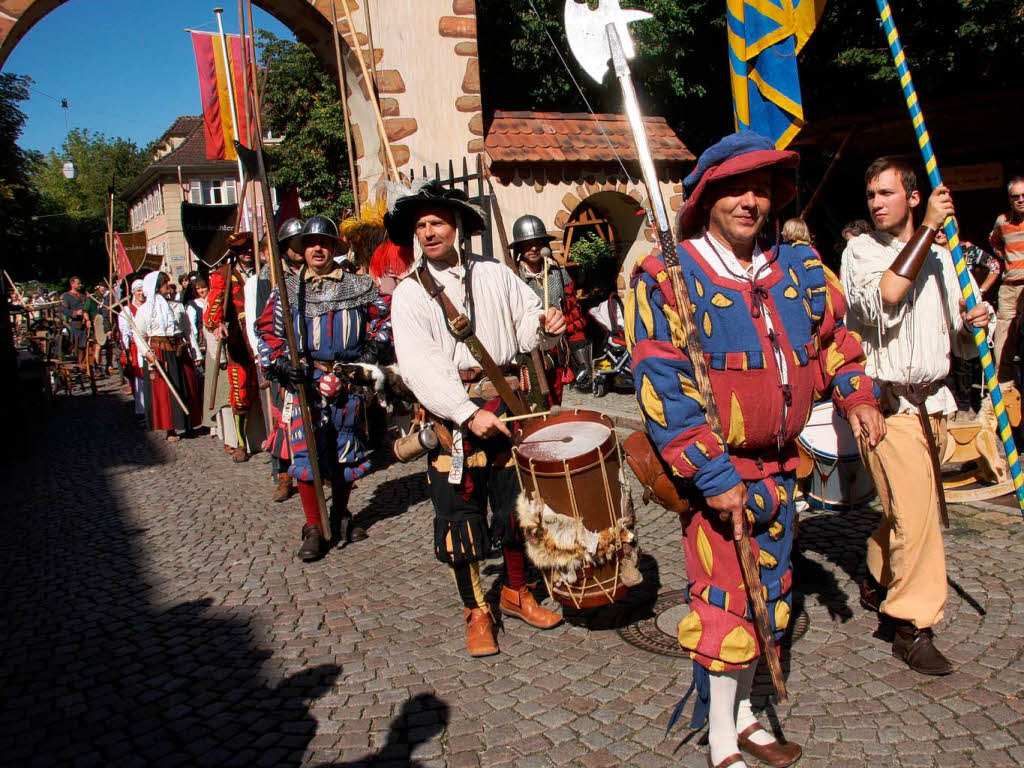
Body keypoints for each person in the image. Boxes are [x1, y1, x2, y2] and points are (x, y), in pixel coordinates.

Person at [629, 131, 883, 768]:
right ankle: (719, 744)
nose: (751, 200)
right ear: (708, 195)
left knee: (768, 595)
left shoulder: (798, 270)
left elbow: (833, 344)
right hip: (722, 473)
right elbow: (664, 386)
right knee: (724, 604)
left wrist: (856, 394)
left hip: (782, 471)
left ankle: (742, 716)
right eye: (737, 187)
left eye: (763, 187)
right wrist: (712, 474)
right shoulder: (668, 276)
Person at [389, 180, 566, 659]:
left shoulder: (495, 273)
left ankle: (514, 592)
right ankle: (475, 612)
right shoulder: (408, 294)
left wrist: (544, 325)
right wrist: (466, 414)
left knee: (514, 510)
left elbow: (525, 321)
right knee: (460, 519)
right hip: (453, 418)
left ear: (458, 227)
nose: (428, 232)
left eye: (437, 223)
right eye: (421, 226)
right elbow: (420, 366)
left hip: (508, 408)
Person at [841, 156, 993, 676]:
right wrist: (927, 229)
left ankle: (879, 569)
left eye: (886, 193)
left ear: (911, 195)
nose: (876, 203)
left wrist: (977, 322)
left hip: (937, 405)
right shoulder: (860, 251)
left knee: (909, 511)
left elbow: (962, 340)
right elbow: (886, 296)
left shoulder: (945, 261)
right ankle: (911, 626)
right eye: (871, 196)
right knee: (920, 519)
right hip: (887, 407)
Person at [257, 216, 378, 561]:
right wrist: (281, 363)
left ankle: (340, 515)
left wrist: (369, 354)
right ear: (302, 250)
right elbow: (266, 332)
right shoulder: (288, 291)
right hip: (304, 384)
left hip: (346, 382)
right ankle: (313, 525)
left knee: (346, 451)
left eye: (324, 243)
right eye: (311, 244)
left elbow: (383, 322)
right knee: (306, 454)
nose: (318, 249)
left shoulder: (359, 285)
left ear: (334, 248)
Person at [249, 218, 305, 503]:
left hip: (307, 360)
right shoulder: (268, 276)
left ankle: (316, 471)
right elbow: (262, 323)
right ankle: (283, 476)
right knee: (282, 422)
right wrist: (273, 360)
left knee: (312, 421)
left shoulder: (312, 273)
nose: (299, 249)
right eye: (293, 245)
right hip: (281, 360)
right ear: (283, 248)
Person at [510, 213, 588, 402]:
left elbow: (573, 313)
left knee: (555, 402)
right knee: (531, 404)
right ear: (520, 247)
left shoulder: (559, 275)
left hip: (556, 353)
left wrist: (581, 358)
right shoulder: (512, 279)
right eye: (528, 244)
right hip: (526, 355)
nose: (534, 248)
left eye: (538, 243)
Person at [204, 233, 260, 462]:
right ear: (234, 253)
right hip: (240, 341)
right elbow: (212, 308)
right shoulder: (224, 275)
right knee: (241, 392)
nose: (247, 253)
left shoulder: (267, 269)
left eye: (250, 248)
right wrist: (216, 325)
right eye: (242, 250)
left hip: (268, 337)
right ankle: (239, 443)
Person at [135, 272, 203, 441]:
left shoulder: (177, 306)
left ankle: (188, 424)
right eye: (166, 283)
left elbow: (188, 330)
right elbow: (139, 334)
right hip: (160, 351)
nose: (169, 286)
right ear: (157, 287)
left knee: (186, 386)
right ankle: (170, 429)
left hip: (179, 348)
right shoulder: (145, 310)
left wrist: (195, 351)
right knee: (165, 391)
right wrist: (147, 353)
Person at [989, 176, 1024, 383]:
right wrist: (1009, 259)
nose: (1020, 200)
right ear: (1009, 199)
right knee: (1002, 345)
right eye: (1015, 196)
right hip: (1010, 287)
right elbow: (994, 242)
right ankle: (1005, 394)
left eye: (1023, 195)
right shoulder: (1002, 221)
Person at [118, 279, 147, 415]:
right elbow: (125, 334)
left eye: (143, 290)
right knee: (140, 376)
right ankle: (142, 408)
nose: (141, 294)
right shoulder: (127, 311)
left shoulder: (149, 306)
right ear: (133, 292)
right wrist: (127, 350)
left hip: (150, 343)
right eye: (138, 291)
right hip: (136, 347)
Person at [61, 276, 89, 365]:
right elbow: (64, 310)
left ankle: (82, 363)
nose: (80, 285)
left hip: (85, 323)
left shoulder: (83, 296)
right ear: (72, 284)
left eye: (80, 283)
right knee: (76, 343)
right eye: (78, 283)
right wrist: (75, 313)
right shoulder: (67, 296)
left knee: (84, 345)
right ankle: (78, 362)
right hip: (75, 323)